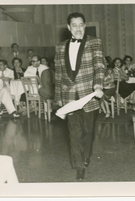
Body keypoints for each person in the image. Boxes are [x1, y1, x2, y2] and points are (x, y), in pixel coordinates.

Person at [54, 12, 105, 180]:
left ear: (85, 26)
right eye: (74, 25)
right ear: (69, 28)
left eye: (80, 25)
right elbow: (59, 74)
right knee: (74, 132)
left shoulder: (94, 42)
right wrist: (58, 98)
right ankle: (79, 165)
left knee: (88, 132)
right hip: (69, 96)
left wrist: (98, 84)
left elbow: (99, 66)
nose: (77, 29)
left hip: (88, 94)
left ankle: (87, 154)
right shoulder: (60, 47)